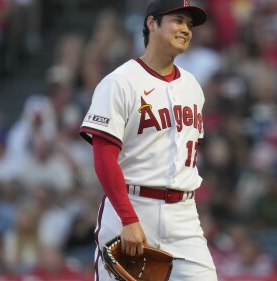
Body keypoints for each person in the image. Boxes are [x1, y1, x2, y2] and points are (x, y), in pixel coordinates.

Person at [79, 1, 217, 280]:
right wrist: (128, 219)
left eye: (189, 25)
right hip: (132, 205)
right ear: (151, 24)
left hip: (184, 214)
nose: (186, 30)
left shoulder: (192, 86)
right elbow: (104, 158)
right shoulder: (119, 82)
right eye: (178, 20)